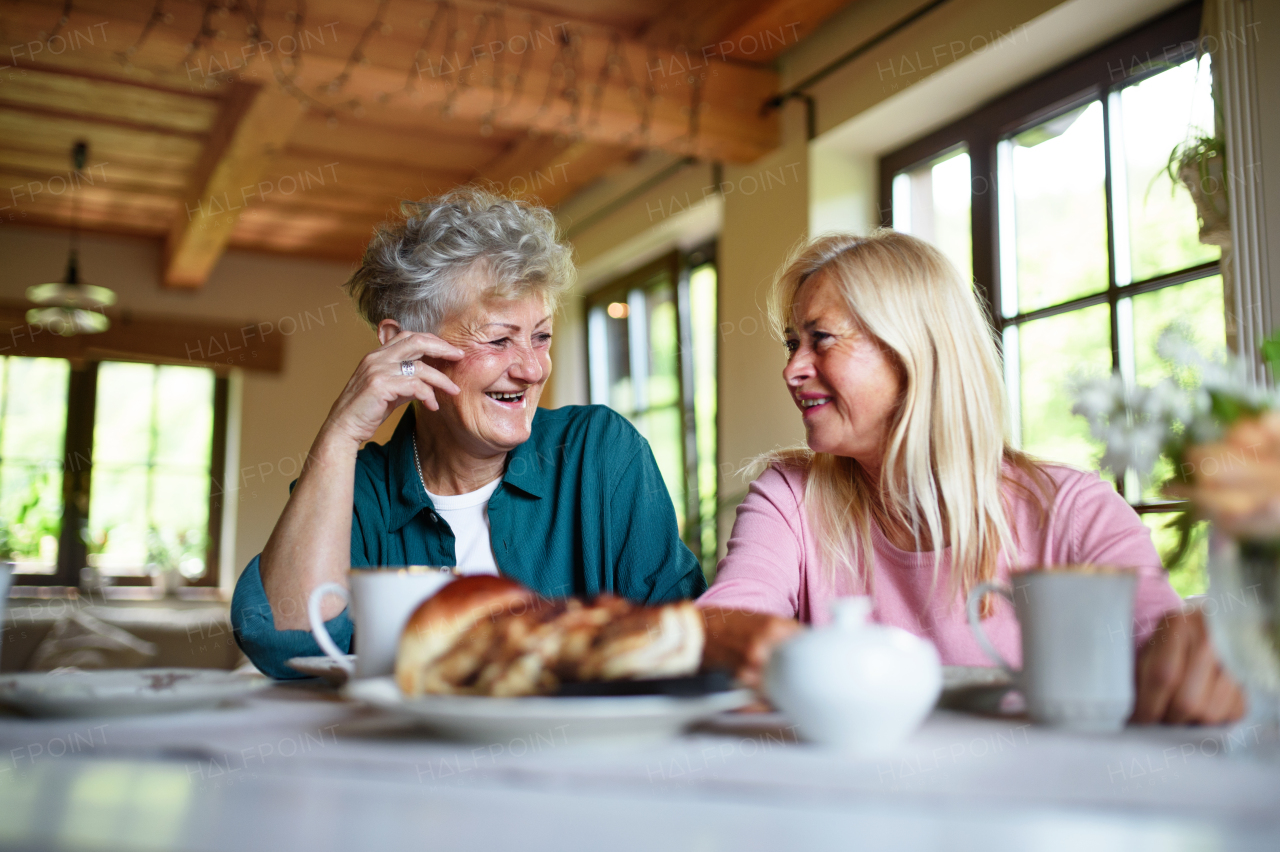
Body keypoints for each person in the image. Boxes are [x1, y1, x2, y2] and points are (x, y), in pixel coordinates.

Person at [699, 231, 1244, 725]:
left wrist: (1199, 638)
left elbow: (1162, 639)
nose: (792, 368)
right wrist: (721, 637)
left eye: (820, 338)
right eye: (793, 342)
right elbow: (727, 621)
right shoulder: (791, 495)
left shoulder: (1072, 508)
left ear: (912, 351)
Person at [232, 188, 706, 678]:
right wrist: (340, 435)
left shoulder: (598, 453)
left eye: (540, 336)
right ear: (405, 347)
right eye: (499, 339)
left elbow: (678, 635)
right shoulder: (360, 489)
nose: (531, 368)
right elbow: (285, 644)